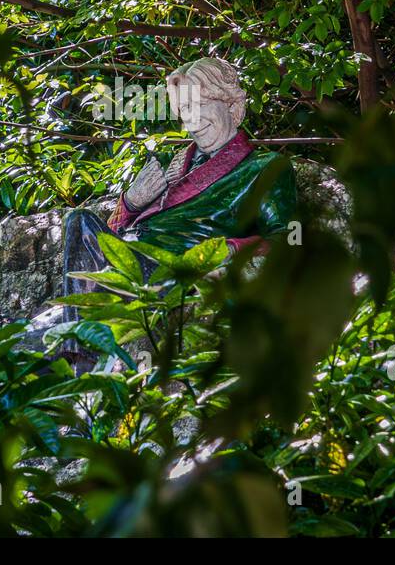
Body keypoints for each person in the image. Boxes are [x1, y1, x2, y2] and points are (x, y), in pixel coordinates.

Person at [59, 58, 297, 370]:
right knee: (78, 220)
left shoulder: (263, 167)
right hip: (131, 261)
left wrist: (228, 250)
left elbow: (287, 239)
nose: (193, 118)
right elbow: (110, 235)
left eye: (201, 104)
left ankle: (81, 363)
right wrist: (131, 202)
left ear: (233, 104)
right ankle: (79, 356)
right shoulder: (174, 164)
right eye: (185, 109)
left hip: (177, 270)